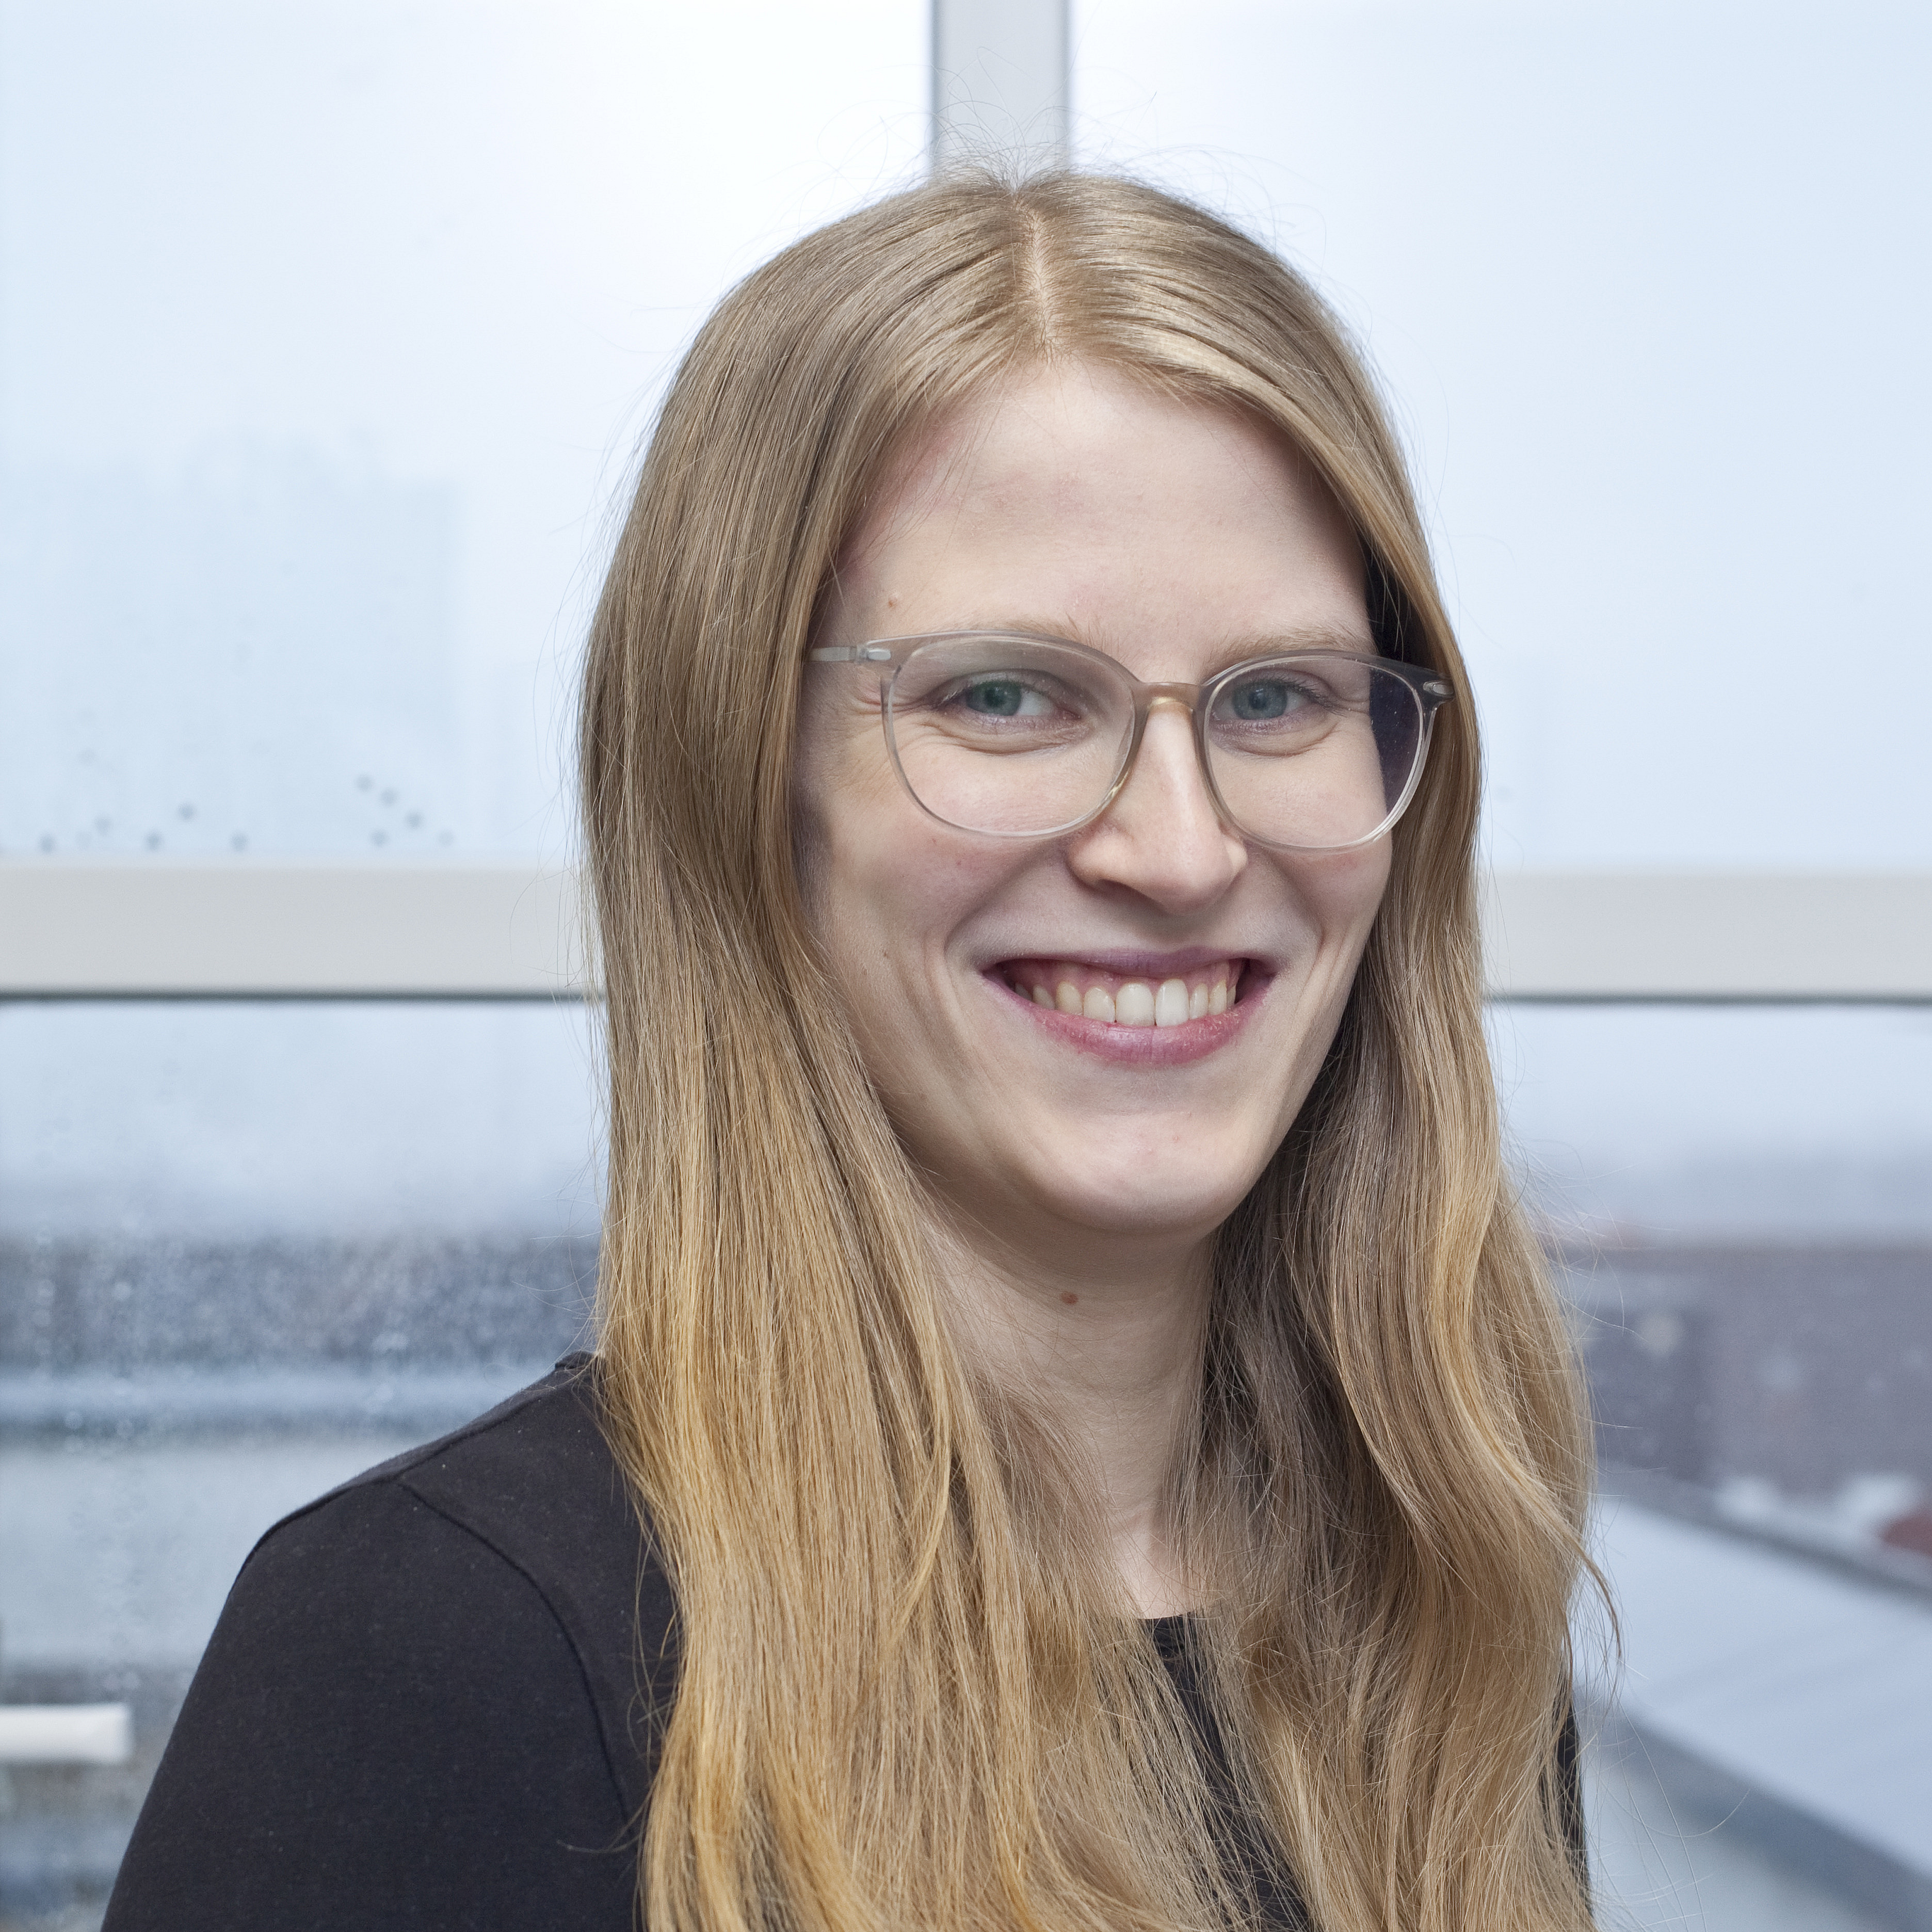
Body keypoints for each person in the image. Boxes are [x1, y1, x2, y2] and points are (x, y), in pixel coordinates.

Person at [105, 171, 1596, 1932]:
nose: (1182, 852)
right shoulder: (429, 1655)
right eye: (1006, 696)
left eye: (1279, 699)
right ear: (744, 782)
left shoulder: (1433, 1605)